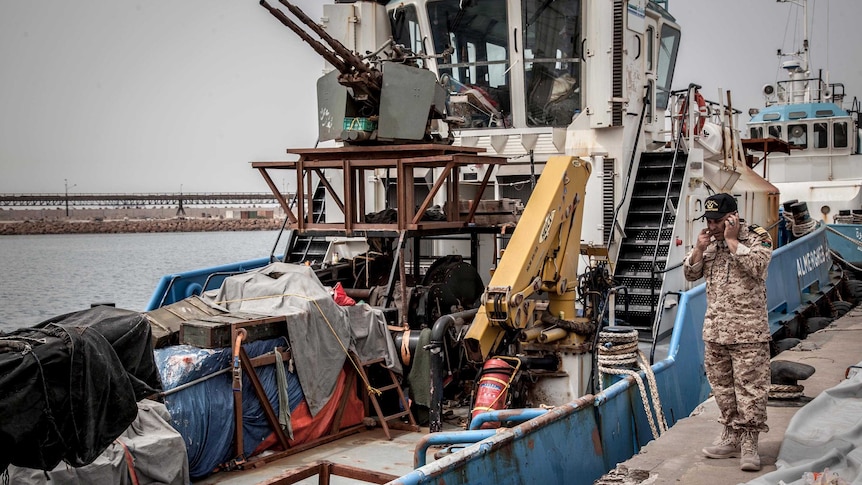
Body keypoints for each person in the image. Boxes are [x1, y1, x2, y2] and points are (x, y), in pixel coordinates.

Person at [683, 193, 773, 472]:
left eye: (718, 221)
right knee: (723, 389)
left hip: (748, 332)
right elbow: (690, 274)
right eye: (708, 220)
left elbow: (758, 267)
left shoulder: (756, 238)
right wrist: (698, 249)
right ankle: (731, 436)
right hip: (716, 330)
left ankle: (749, 443)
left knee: (751, 390)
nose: (711, 226)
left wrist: (733, 242)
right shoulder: (709, 242)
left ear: (733, 218)